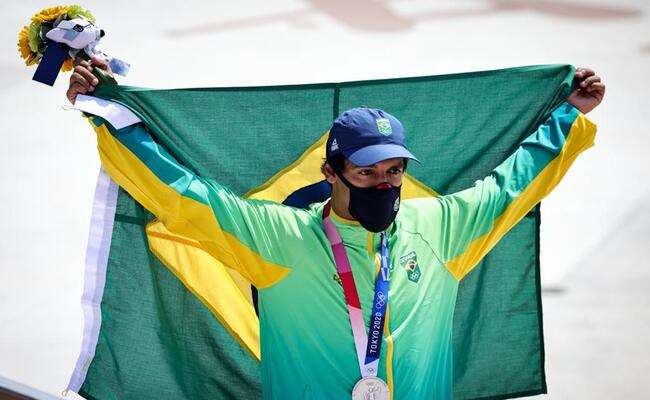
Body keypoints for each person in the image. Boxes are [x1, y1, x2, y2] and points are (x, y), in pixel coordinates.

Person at [66, 58, 604, 400]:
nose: (384, 183)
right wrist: (106, 115)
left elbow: (515, 184)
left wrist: (570, 115)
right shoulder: (282, 239)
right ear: (331, 173)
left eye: (394, 171)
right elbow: (183, 196)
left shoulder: (440, 226)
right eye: (366, 172)